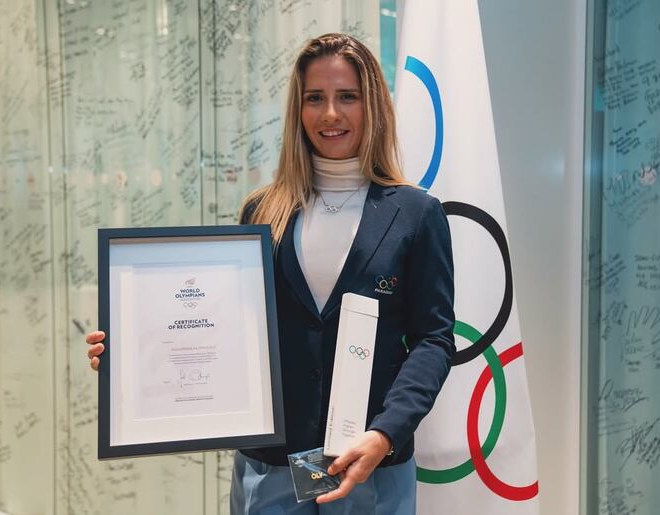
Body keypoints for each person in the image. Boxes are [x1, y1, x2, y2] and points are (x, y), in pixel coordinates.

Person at [86, 33, 455, 515]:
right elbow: (225, 327)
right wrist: (133, 353)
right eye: (314, 98)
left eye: (347, 97)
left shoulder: (416, 213)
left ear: (373, 107)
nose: (330, 115)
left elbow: (433, 339)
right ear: (297, 111)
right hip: (273, 466)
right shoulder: (263, 211)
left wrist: (385, 434)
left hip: (370, 464)